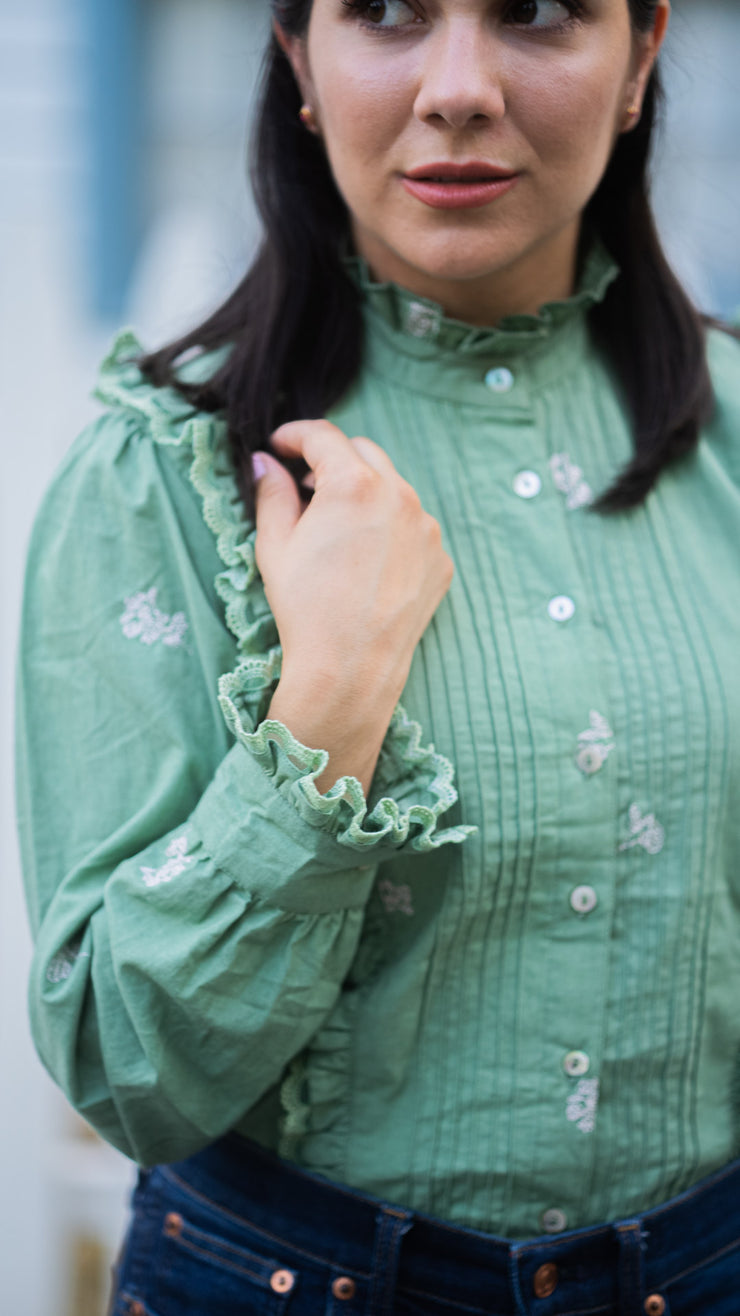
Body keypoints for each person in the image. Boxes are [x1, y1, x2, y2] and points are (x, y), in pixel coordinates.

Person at [16, 0, 740, 1312]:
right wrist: (330, 701)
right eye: (390, 14)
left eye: (536, 14)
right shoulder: (156, 479)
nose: (459, 89)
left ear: (640, 60)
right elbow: (126, 1068)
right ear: (298, 60)